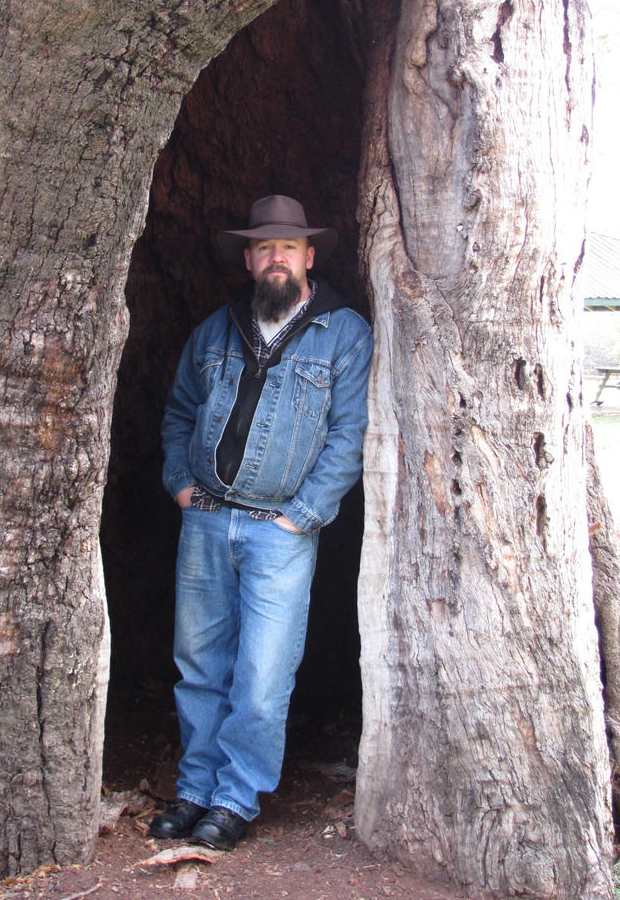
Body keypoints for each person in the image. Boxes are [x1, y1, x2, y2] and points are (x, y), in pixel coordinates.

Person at [150, 194, 373, 851]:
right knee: (198, 665)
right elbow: (181, 411)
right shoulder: (217, 330)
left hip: (280, 534)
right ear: (249, 261)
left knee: (262, 673)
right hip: (208, 522)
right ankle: (194, 789)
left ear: (309, 257)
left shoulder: (345, 334)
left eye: (289, 248)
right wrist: (182, 487)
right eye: (264, 248)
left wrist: (299, 518)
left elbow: (349, 436)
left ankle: (233, 798)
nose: (277, 258)